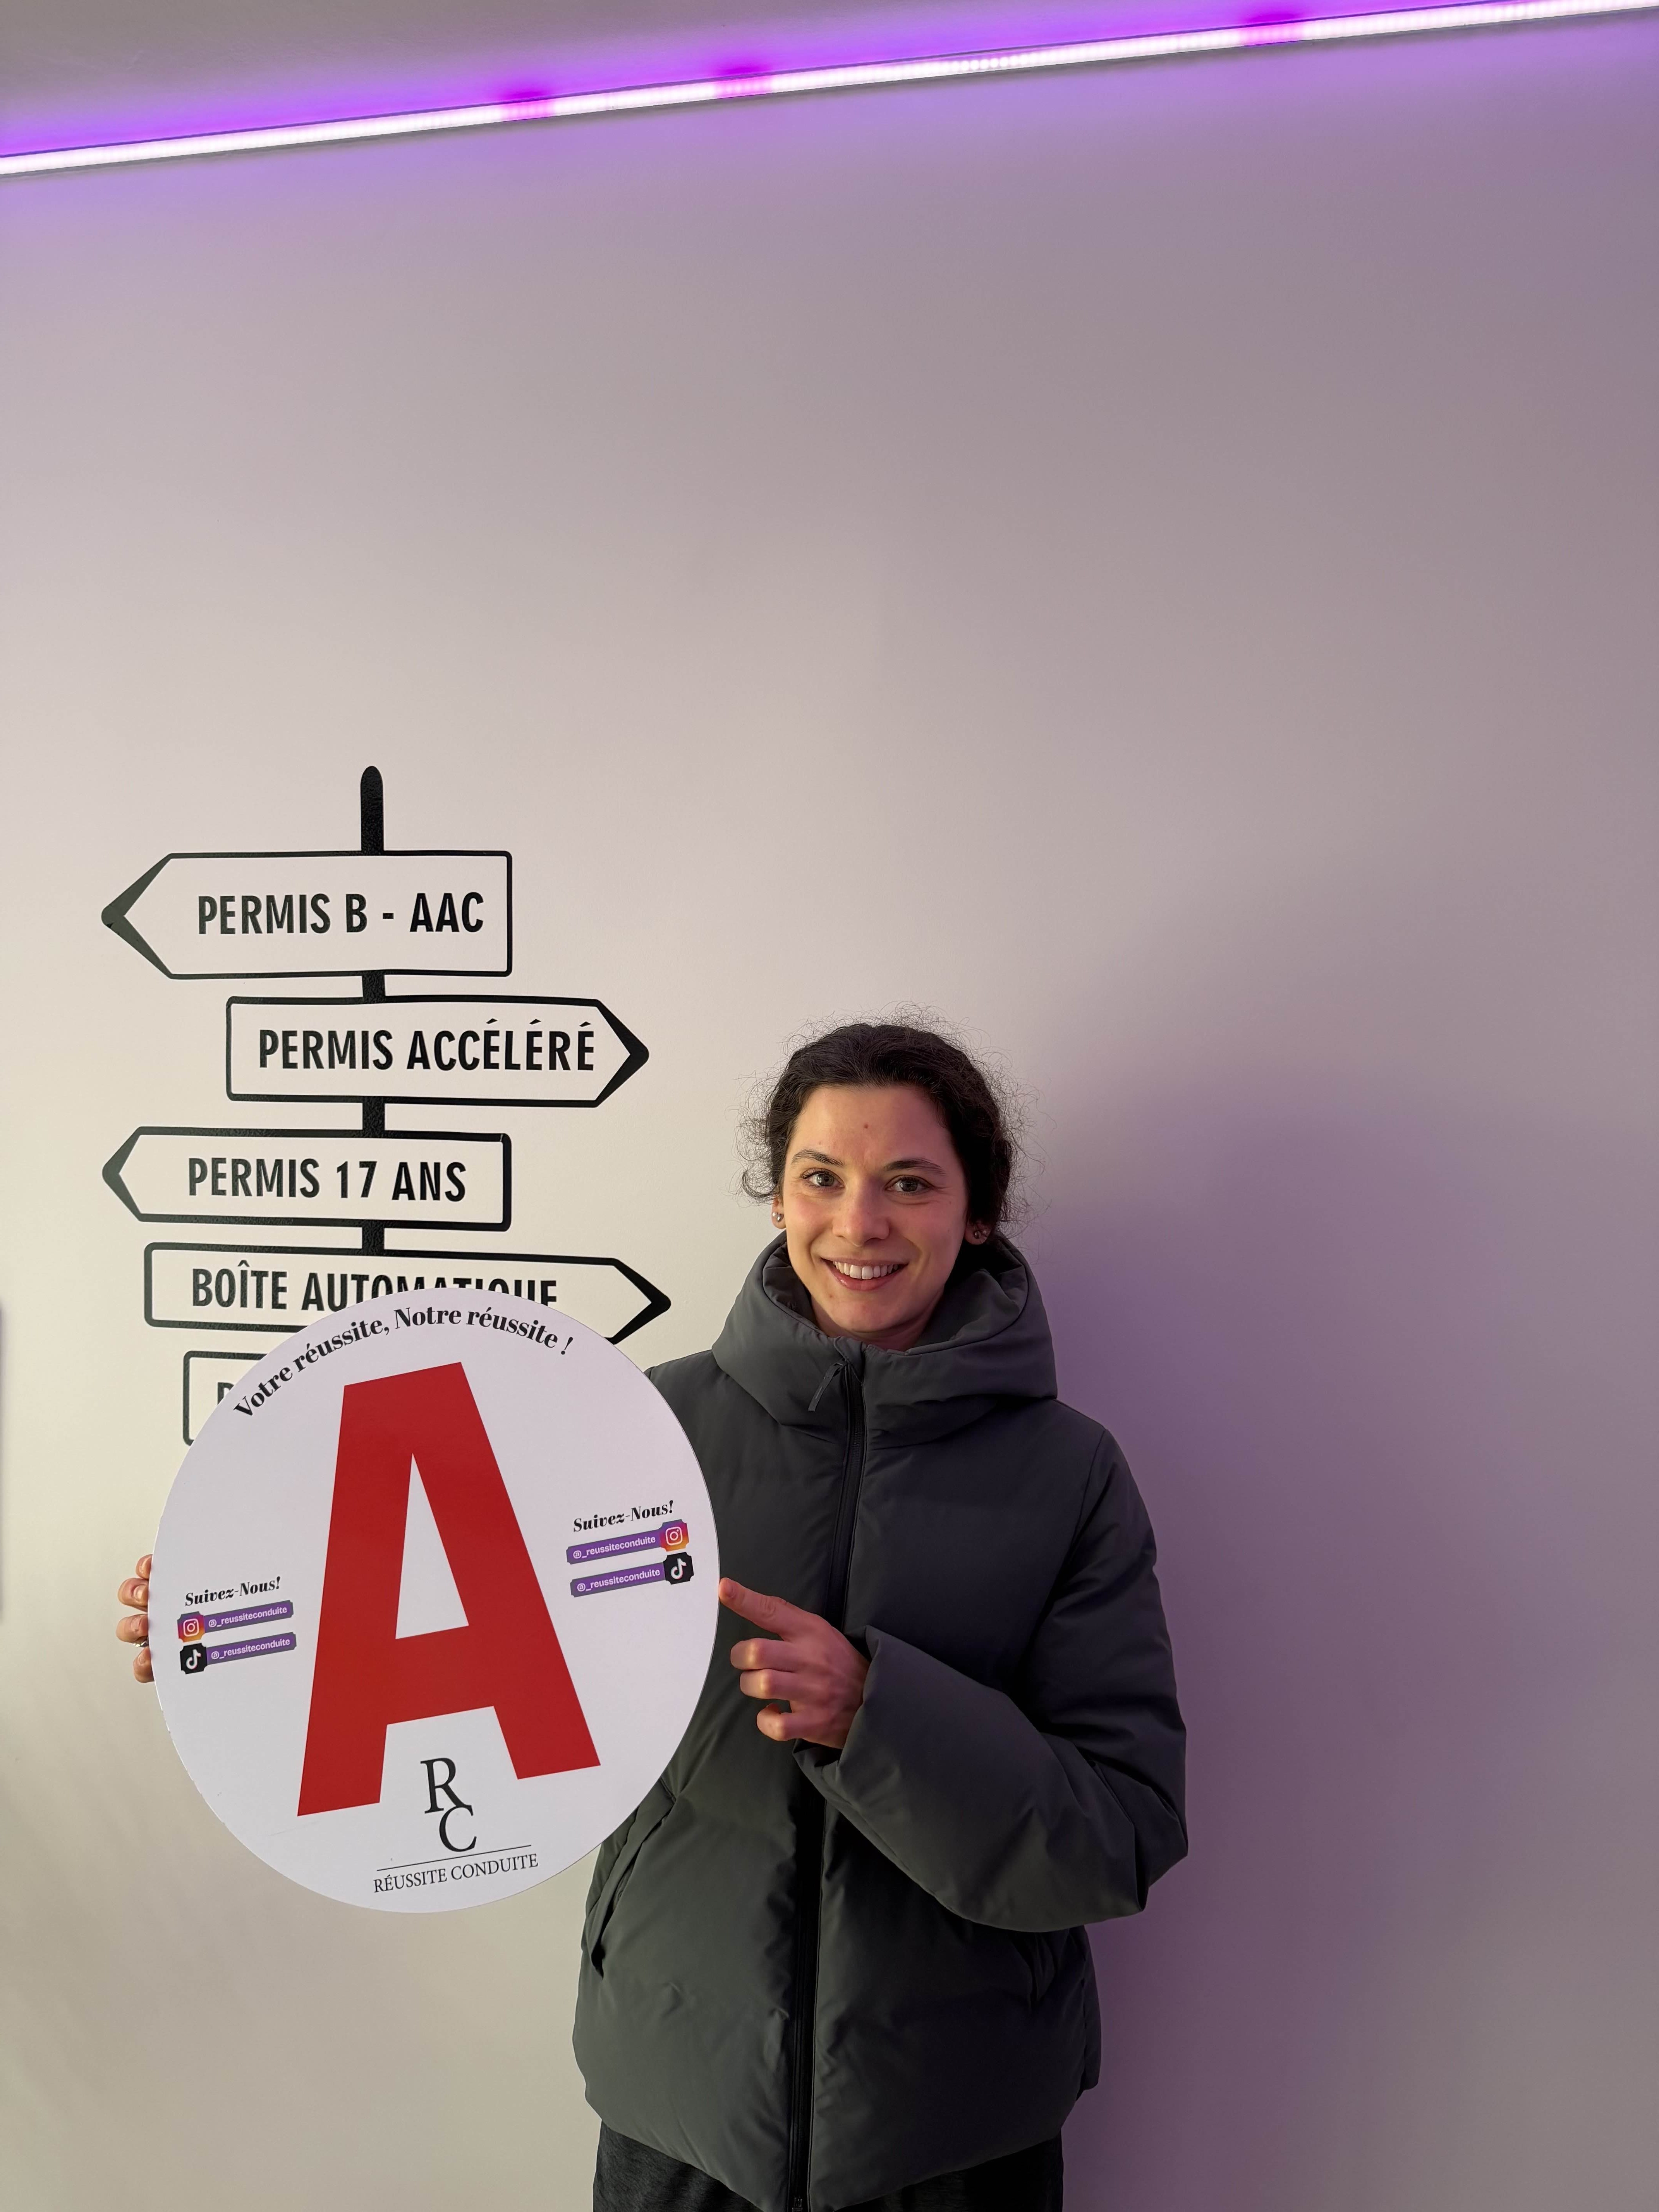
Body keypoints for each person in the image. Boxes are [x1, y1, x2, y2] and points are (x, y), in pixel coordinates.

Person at [117, 1020, 1187, 2212]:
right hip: (680, 2112)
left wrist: (877, 1716)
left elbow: (1120, 1834)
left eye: (909, 1184)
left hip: (954, 2132)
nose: (859, 1224)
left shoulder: (1070, 1474)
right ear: (776, 1194)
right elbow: (444, 1622)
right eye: (820, 1179)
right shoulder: (635, 1432)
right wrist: (240, 1626)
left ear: (975, 1212)